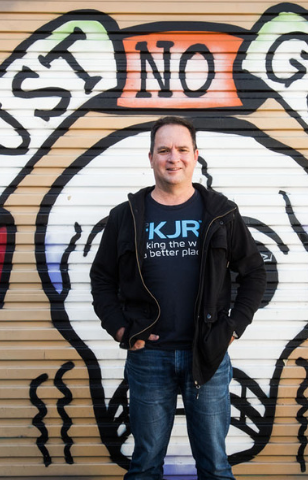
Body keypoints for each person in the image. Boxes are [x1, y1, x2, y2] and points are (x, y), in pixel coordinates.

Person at [90, 116, 267, 479]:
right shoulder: (125, 216)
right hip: (148, 358)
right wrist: (121, 329)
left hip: (208, 356)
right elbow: (102, 279)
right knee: (144, 465)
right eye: (164, 150)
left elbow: (254, 272)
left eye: (182, 149)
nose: (174, 158)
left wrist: (233, 327)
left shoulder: (221, 213)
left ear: (196, 155)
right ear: (151, 157)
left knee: (215, 466)